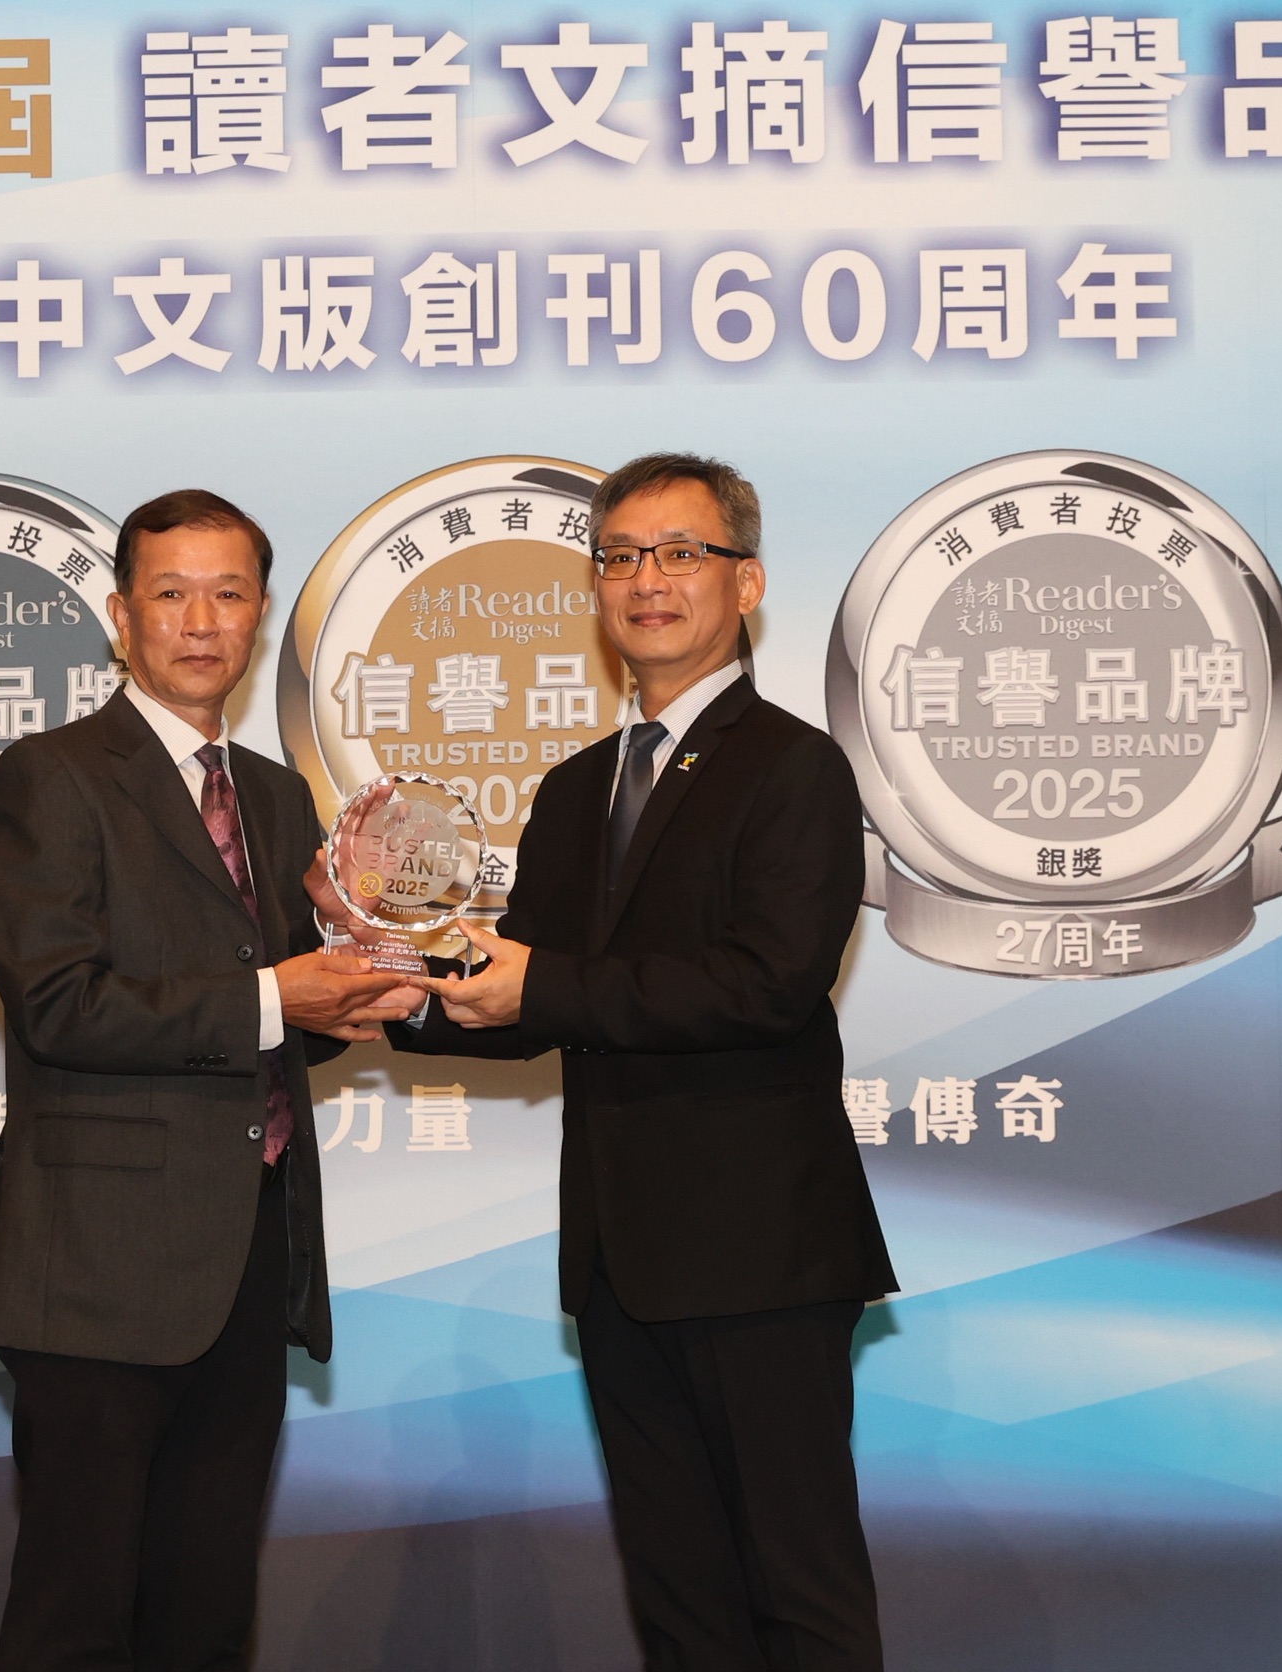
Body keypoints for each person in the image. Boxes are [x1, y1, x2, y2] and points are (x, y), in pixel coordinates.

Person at [384, 453, 898, 1671]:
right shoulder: (576, 788)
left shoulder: (795, 766)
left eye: (679, 553)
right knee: (681, 1603)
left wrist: (540, 983)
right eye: (618, 557)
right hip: (621, 1258)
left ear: (746, 581)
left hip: (759, 1253)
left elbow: (769, 982)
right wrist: (396, 985)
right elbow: (529, 992)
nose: (646, 580)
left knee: (799, 1592)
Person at [0, 489, 416, 1672]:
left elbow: (278, 1025)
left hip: (247, 1255)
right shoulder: (53, 773)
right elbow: (60, 1006)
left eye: (229, 593)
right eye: (171, 593)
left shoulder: (275, 794)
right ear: (121, 615)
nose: (202, 621)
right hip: (95, 1267)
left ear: (260, 613)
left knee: (205, 1613)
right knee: (79, 1615)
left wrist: (360, 991)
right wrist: (278, 998)